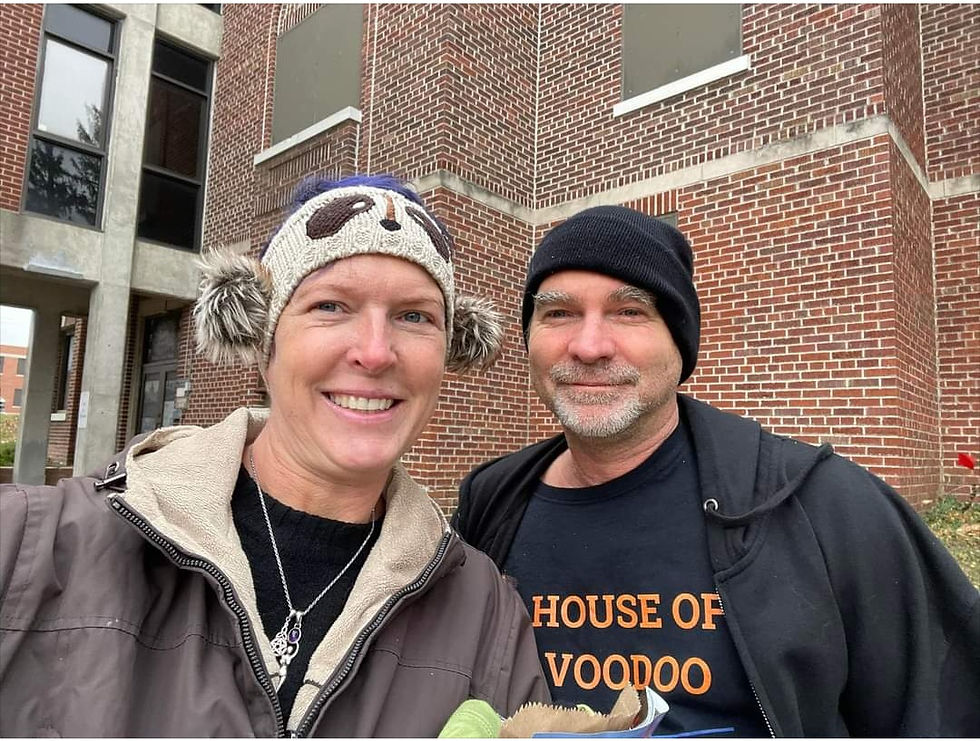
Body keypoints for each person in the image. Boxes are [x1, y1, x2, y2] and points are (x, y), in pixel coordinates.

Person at [0, 175, 549, 736]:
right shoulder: (30, 549)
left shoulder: (486, 616)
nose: (376, 352)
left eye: (415, 316)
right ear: (262, 339)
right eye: (331, 305)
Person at [453, 205, 980, 736]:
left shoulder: (823, 504)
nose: (589, 346)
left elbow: (942, 711)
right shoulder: (491, 503)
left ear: (679, 343)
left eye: (630, 311)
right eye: (559, 313)